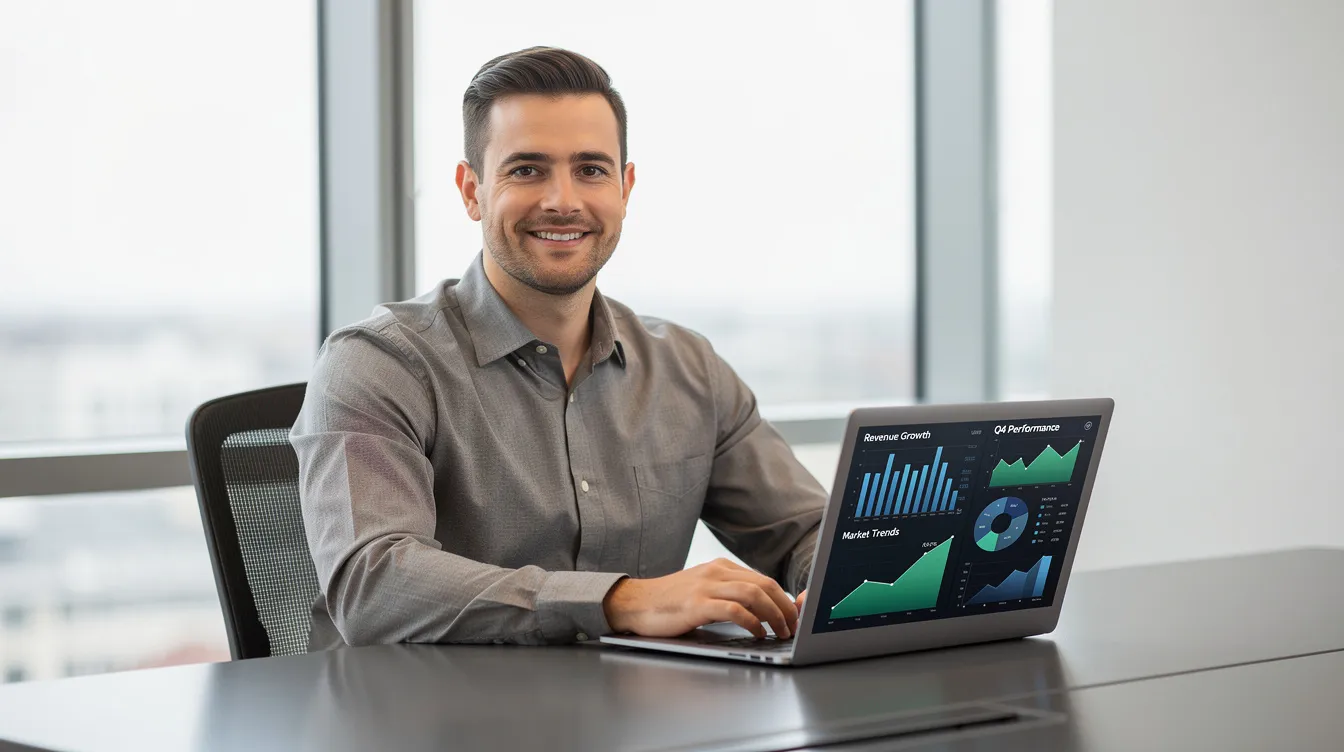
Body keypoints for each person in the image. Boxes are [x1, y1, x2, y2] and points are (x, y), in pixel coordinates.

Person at [291, 46, 826, 650]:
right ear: (472, 191)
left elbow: (809, 532)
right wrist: (621, 600)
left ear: (624, 189)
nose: (563, 200)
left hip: (632, 721)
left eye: (591, 170)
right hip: (426, 725)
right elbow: (372, 583)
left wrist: (834, 585)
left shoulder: (689, 370)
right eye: (527, 170)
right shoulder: (379, 364)